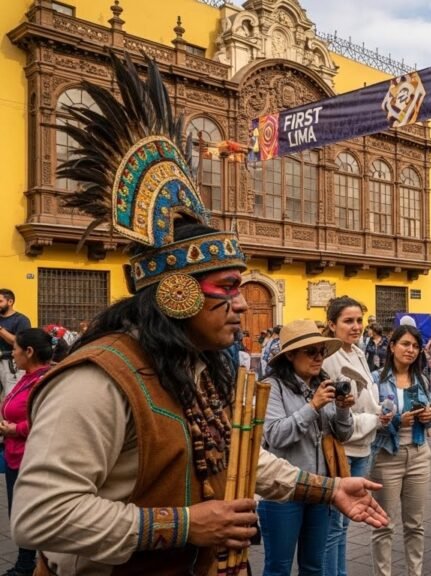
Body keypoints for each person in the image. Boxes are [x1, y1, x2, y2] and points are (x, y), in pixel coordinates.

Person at [10, 53, 388, 575]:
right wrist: (186, 525)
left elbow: (237, 458)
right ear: (177, 292)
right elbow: (40, 515)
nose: (240, 304)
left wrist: (328, 488)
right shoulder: (99, 381)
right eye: (228, 288)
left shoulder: (194, 367)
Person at [260, 320, 355, 576]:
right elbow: (276, 436)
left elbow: (343, 435)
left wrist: (344, 409)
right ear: (290, 355)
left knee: (314, 567)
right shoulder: (272, 387)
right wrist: (312, 407)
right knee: (278, 568)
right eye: (311, 352)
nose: (318, 358)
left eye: (321, 351)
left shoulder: (323, 385)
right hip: (283, 491)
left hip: (320, 488)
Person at [368, 324, 431, 576]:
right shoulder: (375, 380)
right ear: (392, 346)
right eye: (405, 344)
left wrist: (430, 416)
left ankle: (414, 573)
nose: (410, 350)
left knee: (415, 524)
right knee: (384, 524)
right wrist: (398, 421)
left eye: (415, 346)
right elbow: (369, 419)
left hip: (419, 454)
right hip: (387, 456)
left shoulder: (421, 379)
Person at [322, 296, 382, 576]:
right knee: (334, 525)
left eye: (359, 320)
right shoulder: (330, 358)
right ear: (332, 324)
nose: (356, 326)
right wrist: (376, 419)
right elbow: (336, 415)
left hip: (362, 446)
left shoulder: (357, 352)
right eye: (348, 321)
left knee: (344, 524)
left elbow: (366, 398)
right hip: (343, 448)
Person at [0, 328, 56, 575]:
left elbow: (48, 418)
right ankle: (28, 562)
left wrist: (16, 429)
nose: (12, 354)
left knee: (30, 514)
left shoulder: (45, 380)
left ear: (29, 351)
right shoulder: (26, 377)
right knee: (20, 514)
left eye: (15, 349)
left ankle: (30, 565)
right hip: (15, 455)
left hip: (31, 457)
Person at [0, 289, 31, 401]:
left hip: (12, 364)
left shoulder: (21, 320)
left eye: (0, 301)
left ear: (10, 302)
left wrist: (1, 330)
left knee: (11, 397)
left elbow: (20, 342)